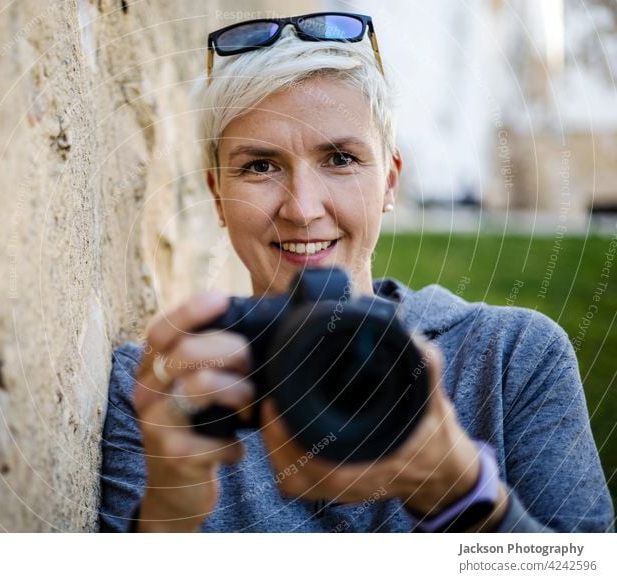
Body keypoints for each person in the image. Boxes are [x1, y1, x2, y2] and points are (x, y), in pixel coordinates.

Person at [98, 12, 614, 533]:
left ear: (389, 182)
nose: (302, 209)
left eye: (340, 159)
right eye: (259, 166)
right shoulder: (166, 386)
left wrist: (461, 497)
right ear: (217, 195)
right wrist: (167, 519)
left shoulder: (510, 359)